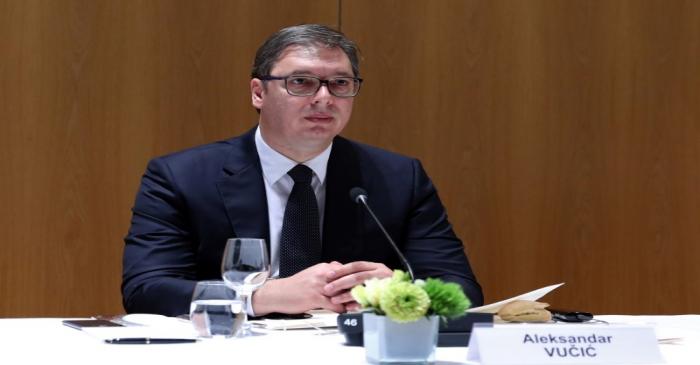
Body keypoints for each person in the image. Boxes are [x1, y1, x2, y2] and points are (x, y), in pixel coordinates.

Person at [122, 24, 483, 317]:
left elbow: (463, 289)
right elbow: (147, 290)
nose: (324, 98)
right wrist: (265, 296)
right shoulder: (181, 176)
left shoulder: (398, 178)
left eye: (340, 83)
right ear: (258, 93)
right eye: (301, 82)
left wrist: (398, 289)